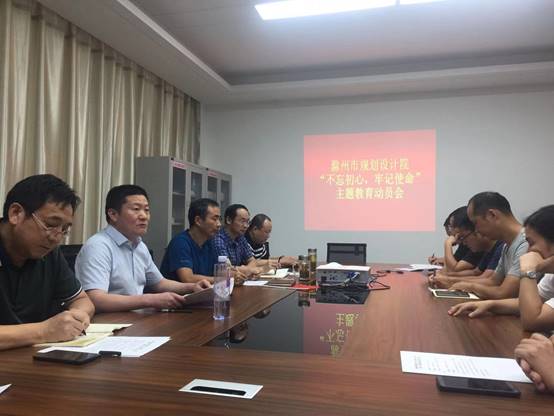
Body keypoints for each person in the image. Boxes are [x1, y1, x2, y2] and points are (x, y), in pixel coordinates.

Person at [75, 185, 210, 313]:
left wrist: (193, 287)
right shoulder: (98, 246)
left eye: (146, 210)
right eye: (136, 209)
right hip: (109, 323)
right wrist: (149, 300)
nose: (144, 216)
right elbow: (95, 299)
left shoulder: (139, 245)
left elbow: (159, 283)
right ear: (113, 214)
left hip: (137, 319)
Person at [0, 174, 94, 350]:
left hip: (32, 358)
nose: (56, 238)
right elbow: (45, 331)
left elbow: (82, 300)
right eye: (50, 224)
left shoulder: (49, 253)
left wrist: (76, 316)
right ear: (16, 213)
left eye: (64, 229)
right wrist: (43, 331)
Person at [448, 205, 554, 332]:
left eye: (531, 243)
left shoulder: (521, 248)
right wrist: (491, 305)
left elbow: (532, 321)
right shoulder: (551, 276)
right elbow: (529, 302)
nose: (528, 250)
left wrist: (528, 270)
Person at [446, 192, 528, 300]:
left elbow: (505, 293)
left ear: (492, 215)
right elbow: (493, 281)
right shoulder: (507, 245)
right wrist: (454, 282)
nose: (476, 230)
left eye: (475, 223)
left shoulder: (526, 242)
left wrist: (469, 286)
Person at [429, 208, 504, 288]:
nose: (463, 243)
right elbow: (476, 272)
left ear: (477, 231)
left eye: (461, 237)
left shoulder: (500, 246)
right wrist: (445, 277)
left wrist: (447, 244)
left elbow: (488, 280)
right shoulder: (486, 247)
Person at [160, 198, 221, 284]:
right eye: (214, 219)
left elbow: (221, 270)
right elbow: (188, 279)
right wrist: (222, 279)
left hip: (203, 291)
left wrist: (234, 274)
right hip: (178, 292)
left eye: (219, 219)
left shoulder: (210, 243)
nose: (219, 224)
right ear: (198, 221)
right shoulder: (180, 243)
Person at [428, 207, 482, 272]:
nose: (456, 240)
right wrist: (438, 261)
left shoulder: (478, 245)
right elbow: (456, 260)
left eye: (458, 237)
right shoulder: (466, 241)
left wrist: (447, 243)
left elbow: (453, 269)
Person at [214, 204, 261, 277]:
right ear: (229, 220)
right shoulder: (219, 240)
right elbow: (226, 269)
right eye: (242, 221)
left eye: (247, 222)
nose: (246, 226)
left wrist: (247, 270)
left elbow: (252, 261)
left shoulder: (240, 237)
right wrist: (248, 270)